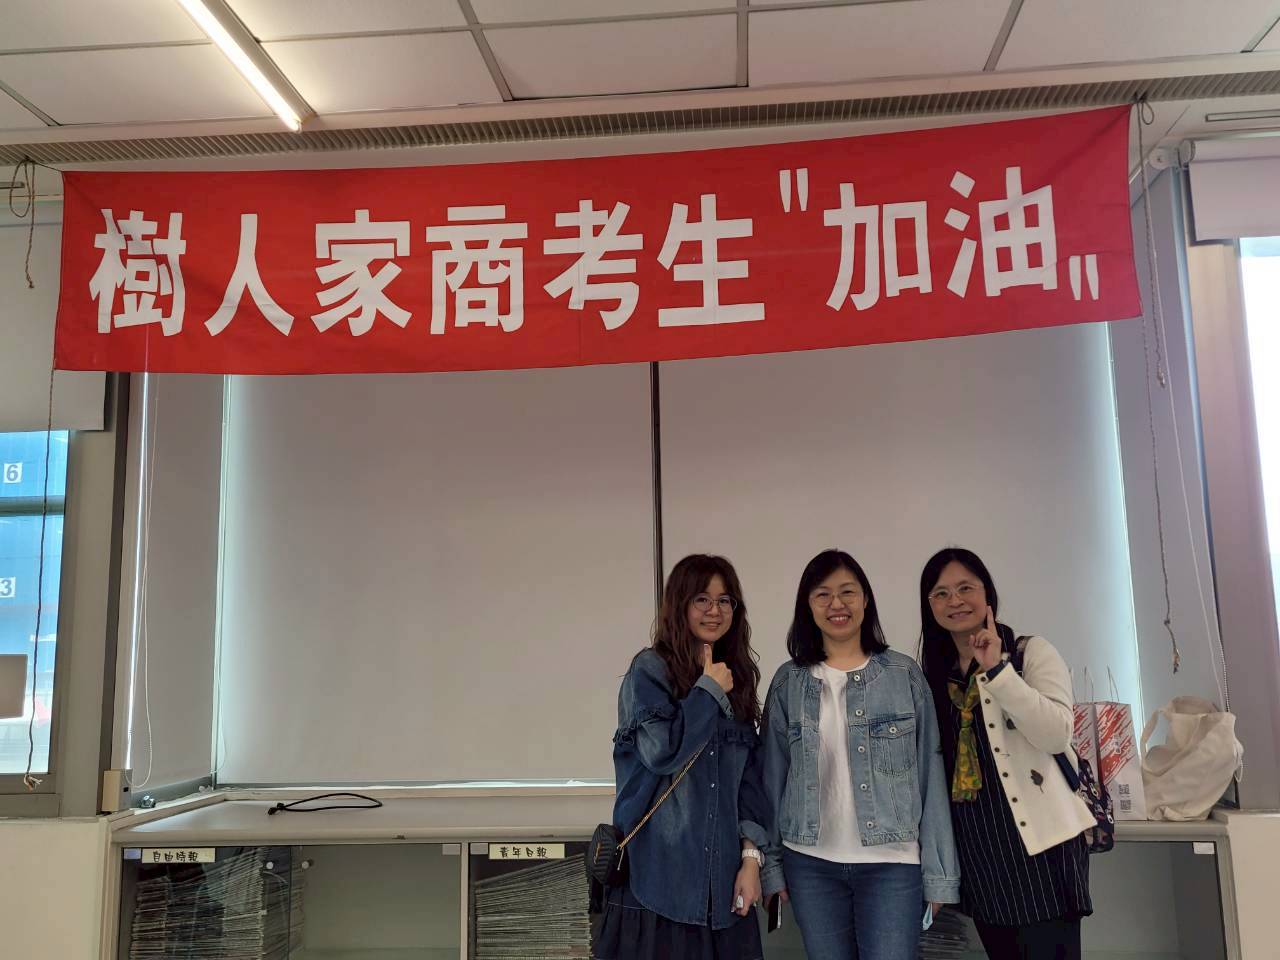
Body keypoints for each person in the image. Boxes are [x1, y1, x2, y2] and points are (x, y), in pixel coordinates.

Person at [761, 549, 959, 960]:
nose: (837, 604)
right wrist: (771, 867)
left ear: (866, 599)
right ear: (807, 606)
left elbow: (931, 774)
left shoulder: (903, 675)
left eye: (848, 592)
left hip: (892, 865)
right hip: (810, 864)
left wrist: (939, 874)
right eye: (823, 594)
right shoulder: (787, 682)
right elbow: (771, 781)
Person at [918, 547, 1095, 960]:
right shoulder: (935, 676)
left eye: (965, 588)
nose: (955, 600)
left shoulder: (1029, 653)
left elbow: (1056, 734)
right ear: (930, 606)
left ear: (987, 594)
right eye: (941, 593)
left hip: (1040, 847)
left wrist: (997, 670)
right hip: (980, 849)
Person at [595, 554, 773, 960]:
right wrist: (707, 691)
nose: (715, 610)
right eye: (702, 599)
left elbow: (749, 782)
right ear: (680, 604)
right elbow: (662, 751)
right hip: (658, 883)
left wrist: (751, 858)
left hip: (722, 887)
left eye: (725, 600)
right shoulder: (649, 670)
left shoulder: (735, 675)